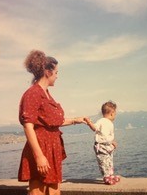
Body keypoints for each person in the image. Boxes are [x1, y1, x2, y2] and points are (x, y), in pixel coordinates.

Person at [18, 50, 88, 195]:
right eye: (56, 72)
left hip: (51, 148)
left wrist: (76, 120)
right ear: (48, 72)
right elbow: (28, 126)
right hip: (41, 148)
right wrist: (39, 156)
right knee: (38, 192)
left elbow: (52, 121)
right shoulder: (33, 93)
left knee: (54, 192)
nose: (57, 76)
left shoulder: (46, 94)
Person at [85, 101, 121, 185]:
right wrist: (89, 122)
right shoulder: (101, 121)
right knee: (103, 161)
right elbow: (95, 128)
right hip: (101, 146)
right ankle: (106, 177)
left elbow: (107, 136)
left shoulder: (110, 123)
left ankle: (111, 175)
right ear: (112, 113)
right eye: (115, 114)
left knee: (109, 161)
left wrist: (112, 142)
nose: (115, 116)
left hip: (108, 145)